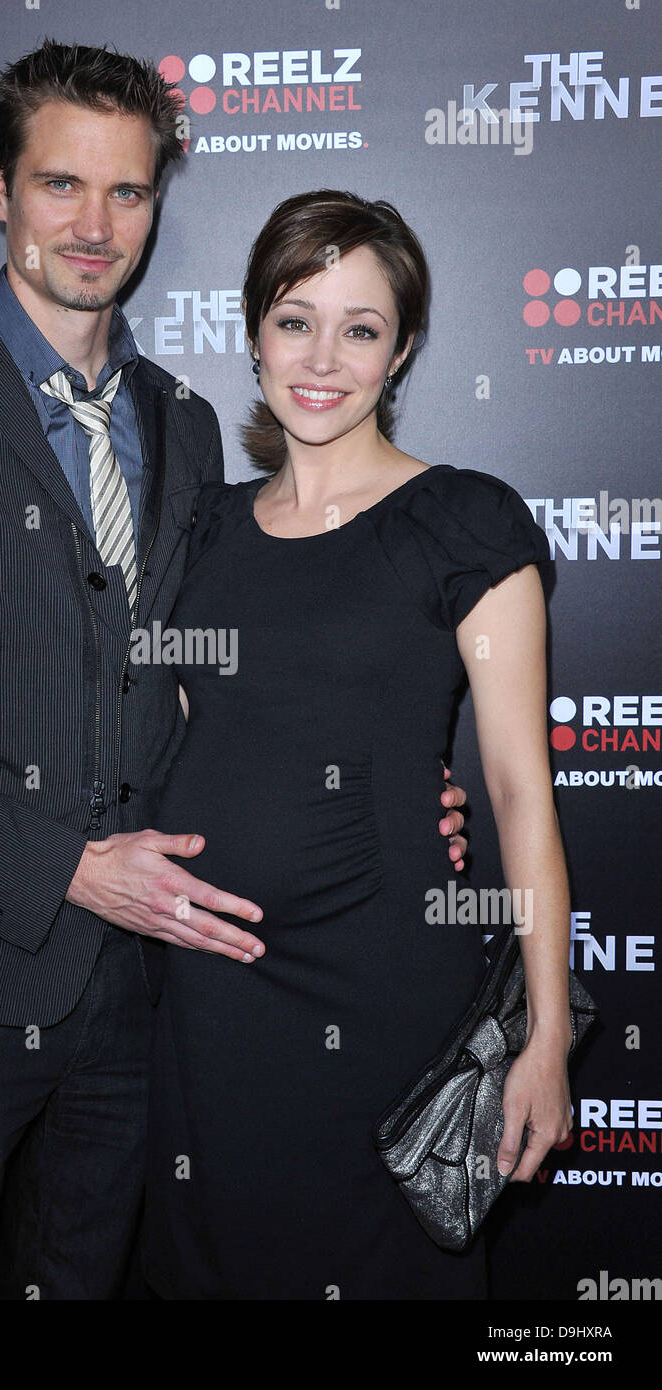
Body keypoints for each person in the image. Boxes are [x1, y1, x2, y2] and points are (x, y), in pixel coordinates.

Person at [0, 41, 469, 1301]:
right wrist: (63, 869)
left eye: (128, 192)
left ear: (157, 205)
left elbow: (219, 684)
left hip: (152, 998)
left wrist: (388, 791)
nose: (94, 226)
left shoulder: (183, 426)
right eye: (59, 186)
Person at [141, 190, 574, 1301]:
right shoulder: (202, 527)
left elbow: (522, 791)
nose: (322, 357)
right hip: (210, 994)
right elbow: (194, 738)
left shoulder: (461, 520)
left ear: (404, 348)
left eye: (361, 327)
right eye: (296, 319)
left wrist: (546, 1034)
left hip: (386, 988)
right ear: (252, 333)